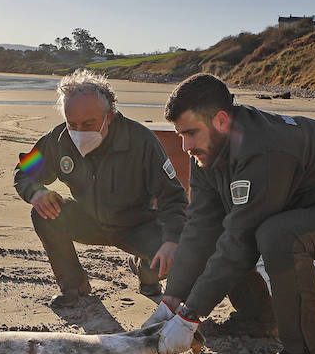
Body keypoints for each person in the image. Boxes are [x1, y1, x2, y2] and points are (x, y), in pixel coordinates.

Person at [146, 73, 315, 354]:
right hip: (309, 208)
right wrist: (171, 301)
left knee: (276, 236)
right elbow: (200, 229)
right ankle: (259, 319)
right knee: (231, 231)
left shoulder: (263, 151)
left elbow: (241, 243)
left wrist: (189, 316)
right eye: (179, 135)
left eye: (191, 133)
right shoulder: (206, 155)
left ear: (221, 121)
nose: (185, 146)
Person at [14, 70, 187, 307]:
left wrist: (172, 240)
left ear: (110, 116)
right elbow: (23, 171)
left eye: (89, 124)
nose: (79, 132)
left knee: (176, 256)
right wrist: (37, 193)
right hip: (89, 220)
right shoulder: (58, 140)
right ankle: (74, 288)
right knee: (43, 214)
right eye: (72, 124)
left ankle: (144, 271)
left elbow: (174, 198)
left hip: (138, 226)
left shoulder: (141, 141)